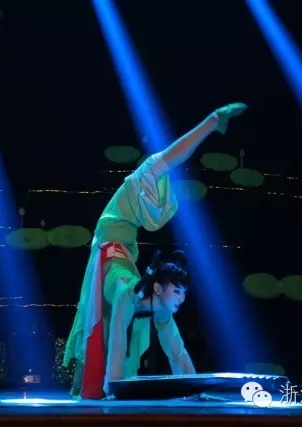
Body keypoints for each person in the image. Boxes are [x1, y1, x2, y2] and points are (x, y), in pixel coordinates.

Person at [63, 103, 248, 399]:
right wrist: (212, 122)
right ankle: (89, 386)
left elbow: (177, 351)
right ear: (159, 288)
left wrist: (196, 390)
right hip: (110, 249)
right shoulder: (143, 177)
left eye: (183, 293)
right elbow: (118, 345)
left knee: (105, 316)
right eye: (177, 291)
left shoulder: (159, 305)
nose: (181, 299)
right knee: (106, 318)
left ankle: (84, 386)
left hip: (123, 251)